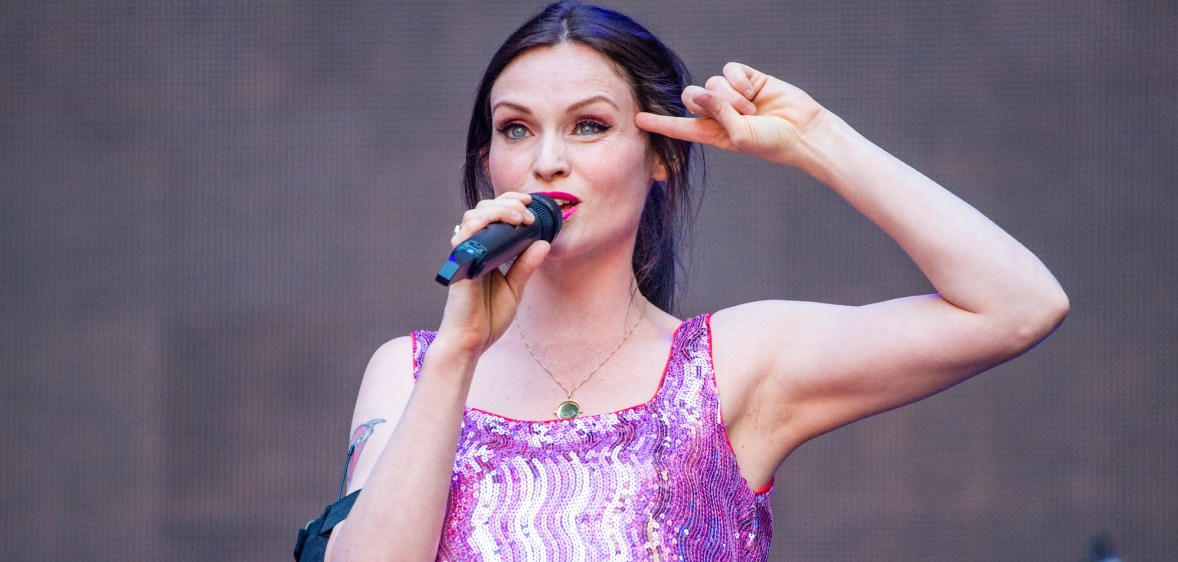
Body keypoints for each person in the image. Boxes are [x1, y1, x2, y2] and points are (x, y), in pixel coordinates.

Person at [325, 2, 1069, 560]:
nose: (546, 160)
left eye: (589, 125)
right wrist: (458, 353)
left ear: (663, 155)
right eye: (516, 129)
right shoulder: (411, 371)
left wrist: (816, 140)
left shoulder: (731, 365)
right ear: (488, 160)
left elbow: (1017, 307)